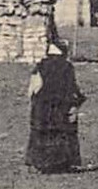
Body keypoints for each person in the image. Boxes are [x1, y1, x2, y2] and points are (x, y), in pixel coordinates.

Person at [25, 37, 86, 173]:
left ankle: (38, 163)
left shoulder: (40, 66)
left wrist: (34, 103)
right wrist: (77, 101)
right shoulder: (67, 67)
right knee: (62, 133)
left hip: (42, 108)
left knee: (40, 133)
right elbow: (72, 88)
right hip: (61, 107)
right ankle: (62, 163)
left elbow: (33, 89)